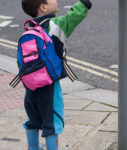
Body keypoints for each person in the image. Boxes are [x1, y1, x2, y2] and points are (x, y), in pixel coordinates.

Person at [21, 0, 92, 149]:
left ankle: (33, 148)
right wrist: (86, 2)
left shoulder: (28, 30)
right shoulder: (56, 25)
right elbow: (75, 15)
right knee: (53, 122)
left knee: (33, 118)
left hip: (30, 85)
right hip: (49, 84)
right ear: (43, 7)